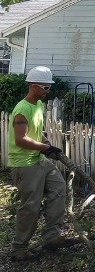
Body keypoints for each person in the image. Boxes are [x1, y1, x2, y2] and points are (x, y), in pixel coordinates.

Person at [8, 65, 76, 261]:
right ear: (33, 86)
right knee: (31, 206)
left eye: (49, 87)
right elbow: (21, 139)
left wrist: (46, 142)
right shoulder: (22, 109)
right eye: (45, 88)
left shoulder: (38, 106)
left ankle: (52, 237)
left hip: (38, 159)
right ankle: (19, 249)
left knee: (58, 188)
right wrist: (45, 148)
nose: (48, 91)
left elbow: (35, 133)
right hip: (24, 164)